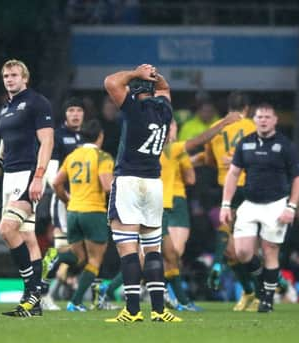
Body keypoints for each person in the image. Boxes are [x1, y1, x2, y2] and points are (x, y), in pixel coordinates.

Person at [103, 64, 180, 323]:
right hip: (154, 183)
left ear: (134, 93)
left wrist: (137, 72)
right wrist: (155, 75)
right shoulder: (165, 112)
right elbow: (166, 88)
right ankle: (159, 310)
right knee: (152, 250)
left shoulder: (134, 110)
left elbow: (111, 82)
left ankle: (133, 311)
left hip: (129, 181)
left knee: (128, 250)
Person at [0, 59, 53, 317]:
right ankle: (35, 303)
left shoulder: (37, 102)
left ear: (25, 78)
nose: (9, 79)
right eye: (6, 75)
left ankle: (32, 290)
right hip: (9, 177)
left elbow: (47, 142)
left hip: (29, 174)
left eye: (14, 75)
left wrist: (39, 176)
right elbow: (2, 151)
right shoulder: (5, 109)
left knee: (6, 229)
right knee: (28, 237)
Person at [219, 103, 299, 313]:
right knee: (242, 253)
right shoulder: (245, 143)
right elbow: (233, 174)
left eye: (268, 116)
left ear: (275, 120)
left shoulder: (285, 145)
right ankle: (265, 285)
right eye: (260, 117)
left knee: (270, 251)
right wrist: (226, 204)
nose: (264, 120)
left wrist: (291, 207)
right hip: (250, 203)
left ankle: (267, 299)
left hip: (276, 204)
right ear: (254, 120)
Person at [160, 110, 241, 312]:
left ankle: (161, 292)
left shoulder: (149, 149)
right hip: (173, 203)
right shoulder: (174, 149)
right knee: (173, 254)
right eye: (173, 126)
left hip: (150, 205)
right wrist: (222, 124)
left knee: (157, 254)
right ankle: (164, 292)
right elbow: (191, 179)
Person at [203, 91, 260, 311]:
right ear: (246, 108)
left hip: (227, 187)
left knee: (234, 246)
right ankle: (250, 292)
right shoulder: (253, 126)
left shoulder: (217, 128)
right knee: (237, 249)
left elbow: (209, 160)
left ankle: (260, 293)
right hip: (250, 186)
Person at [51, 119, 114, 311]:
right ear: (100, 137)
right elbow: (106, 186)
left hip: (73, 212)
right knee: (94, 260)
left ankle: (54, 257)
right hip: (93, 212)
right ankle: (76, 302)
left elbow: (56, 183)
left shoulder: (73, 156)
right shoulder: (103, 157)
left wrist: (67, 200)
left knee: (80, 258)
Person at [40, 97, 84, 311]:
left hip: (86, 201)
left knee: (88, 248)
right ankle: (42, 292)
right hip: (64, 200)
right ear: (65, 114)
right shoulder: (58, 136)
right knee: (61, 248)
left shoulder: (86, 137)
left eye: (78, 110)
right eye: (71, 110)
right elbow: (52, 171)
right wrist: (65, 194)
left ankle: (90, 295)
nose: (75, 114)